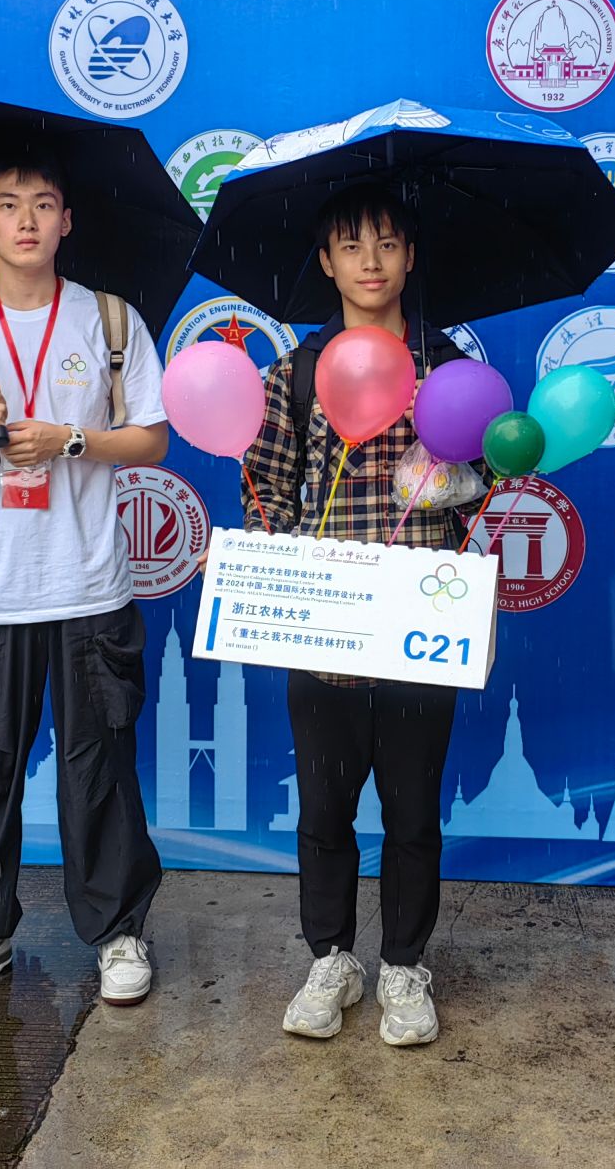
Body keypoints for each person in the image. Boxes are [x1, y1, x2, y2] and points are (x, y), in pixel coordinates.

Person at [0, 147, 171, 1008]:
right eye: (8, 205)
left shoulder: (109, 320)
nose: (26, 220)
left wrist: (70, 439)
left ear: (66, 222)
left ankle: (118, 933)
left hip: (87, 581)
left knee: (99, 767)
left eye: (43, 204)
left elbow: (153, 438)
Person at [240, 183, 469, 1047]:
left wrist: (450, 482)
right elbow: (265, 486)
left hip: (420, 627)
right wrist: (275, 553)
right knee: (323, 812)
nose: (370, 262)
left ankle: (405, 964)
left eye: (387, 243)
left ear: (410, 257)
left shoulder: (451, 370)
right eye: (351, 245)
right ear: (327, 263)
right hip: (323, 625)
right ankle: (331, 958)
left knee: (413, 814)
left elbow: (480, 483)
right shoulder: (294, 373)